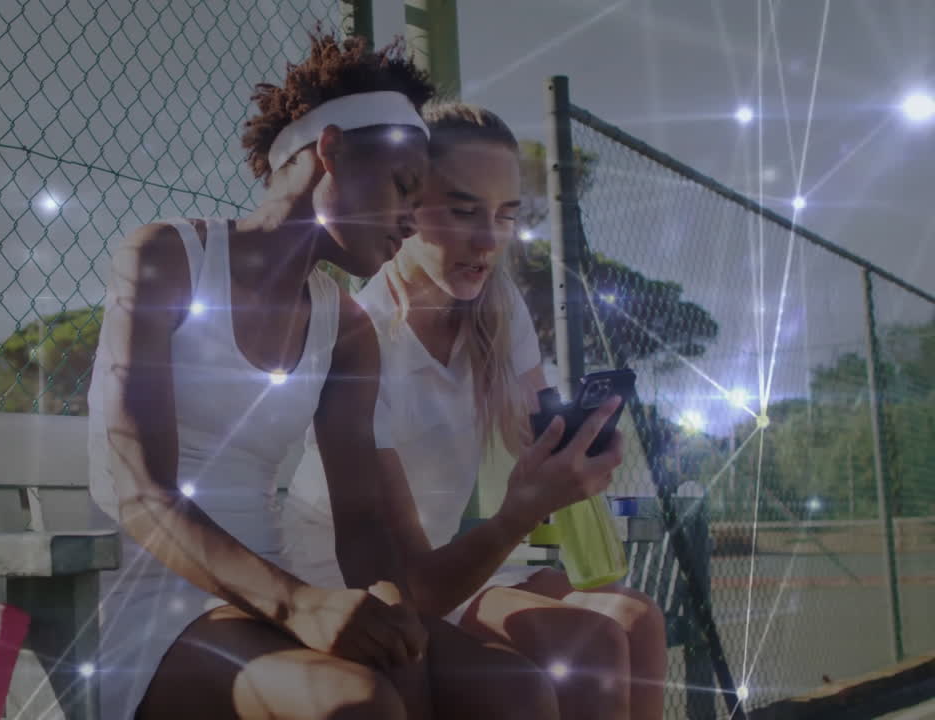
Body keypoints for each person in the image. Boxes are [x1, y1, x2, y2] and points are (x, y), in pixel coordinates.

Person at [86, 36, 559, 720]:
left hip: (278, 600)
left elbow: (363, 527)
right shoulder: (166, 257)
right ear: (330, 150)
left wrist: (395, 624)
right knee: (357, 702)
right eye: (402, 187)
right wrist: (300, 606)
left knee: (514, 691)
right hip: (157, 603)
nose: (410, 219)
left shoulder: (347, 330)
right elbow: (140, 493)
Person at [280, 102, 668, 720]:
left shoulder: (498, 307)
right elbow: (409, 580)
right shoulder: (363, 337)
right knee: (588, 647)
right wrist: (524, 510)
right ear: (406, 205)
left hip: (449, 567)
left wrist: (576, 454)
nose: (488, 242)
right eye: (463, 212)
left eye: (505, 215)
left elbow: (535, 433)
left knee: (636, 619)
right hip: (363, 581)